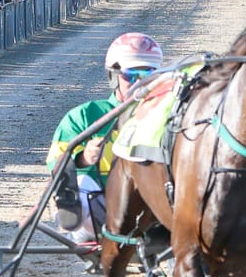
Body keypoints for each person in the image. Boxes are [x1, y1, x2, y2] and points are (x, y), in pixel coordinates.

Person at [45, 33, 164, 246]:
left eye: (146, 73)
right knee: (79, 181)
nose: (138, 81)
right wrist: (83, 158)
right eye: (130, 74)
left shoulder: (166, 114)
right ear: (113, 76)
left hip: (154, 207)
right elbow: (56, 164)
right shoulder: (83, 116)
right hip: (100, 211)